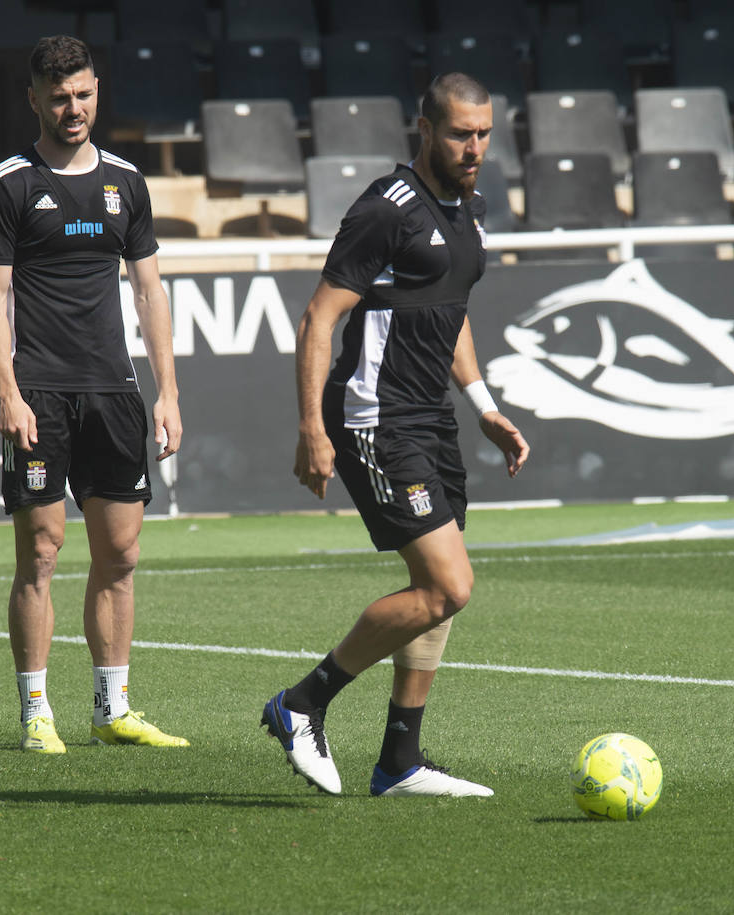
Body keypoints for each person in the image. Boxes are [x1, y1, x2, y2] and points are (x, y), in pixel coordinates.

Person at [261, 72, 530, 796]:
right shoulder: (388, 209)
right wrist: (312, 427)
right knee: (449, 585)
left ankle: (399, 761)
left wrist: (482, 403)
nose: (473, 147)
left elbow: (452, 308)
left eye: (482, 134)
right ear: (425, 129)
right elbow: (320, 317)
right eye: (459, 134)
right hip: (376, 419)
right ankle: (301, 703)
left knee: (435, 589)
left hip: (432, 420)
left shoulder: (470, 207)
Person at [0, 35, 188, 754]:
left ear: (98, 92)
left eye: (85, 94)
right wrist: (8, 391)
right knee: (41, 549)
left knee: (119, 553)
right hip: (40, 392)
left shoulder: (127, 181)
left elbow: (150, 289)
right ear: (34, 99)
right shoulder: (9, 183)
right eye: (59, 97)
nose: (74, 108)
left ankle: (111, 706)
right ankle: (36, 711)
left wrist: (167, 392)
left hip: (114, 392)